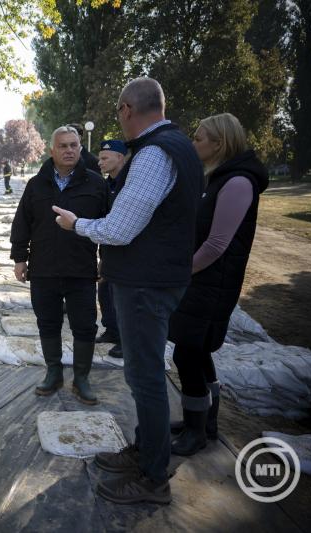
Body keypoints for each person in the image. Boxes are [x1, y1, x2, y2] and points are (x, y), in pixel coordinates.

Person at [52, 77, 203, 504]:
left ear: (126, 110)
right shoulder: (178, 147)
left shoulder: (154, 154)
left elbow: (119, 228)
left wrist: (75, 224)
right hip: (156, 278)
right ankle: (145, 450)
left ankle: (153, 477)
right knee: (146, 375)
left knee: (146, 378)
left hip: (145, 284)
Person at [168, 113, 269, 456]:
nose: (193, 143)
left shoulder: (238, 182)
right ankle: (203, 421)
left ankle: (197, 430)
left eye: (199, 138)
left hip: (212, 285)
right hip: (203, 281)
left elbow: (216, 244)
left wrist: (181, 272)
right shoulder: (218, 178)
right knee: (197, 351)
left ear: (219, 144)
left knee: (187, 353)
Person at [10, 125, 107, 404]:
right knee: (48, 323)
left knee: (86, 326)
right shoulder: (36, 185)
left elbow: (108, 225)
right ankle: (54, 373)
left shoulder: (95, 184)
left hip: (81, 270)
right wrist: (20, 259)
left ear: (80, 148)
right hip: (44, 270)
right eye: (62, 146)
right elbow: (22, 224)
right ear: (52, 150)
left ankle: (82, 379)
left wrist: (106, 262)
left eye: (74, 145)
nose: (69, 150)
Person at [94, 139, 127, 357]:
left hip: (125, 252)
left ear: (120, 158)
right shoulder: (107, 184)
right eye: (99, 158)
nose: (100, 162)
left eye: (105, 158)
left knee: (121, 297)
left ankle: (127, 341)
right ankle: (112, 330)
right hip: (107, 249)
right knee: (104, 291)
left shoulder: (129, 185)